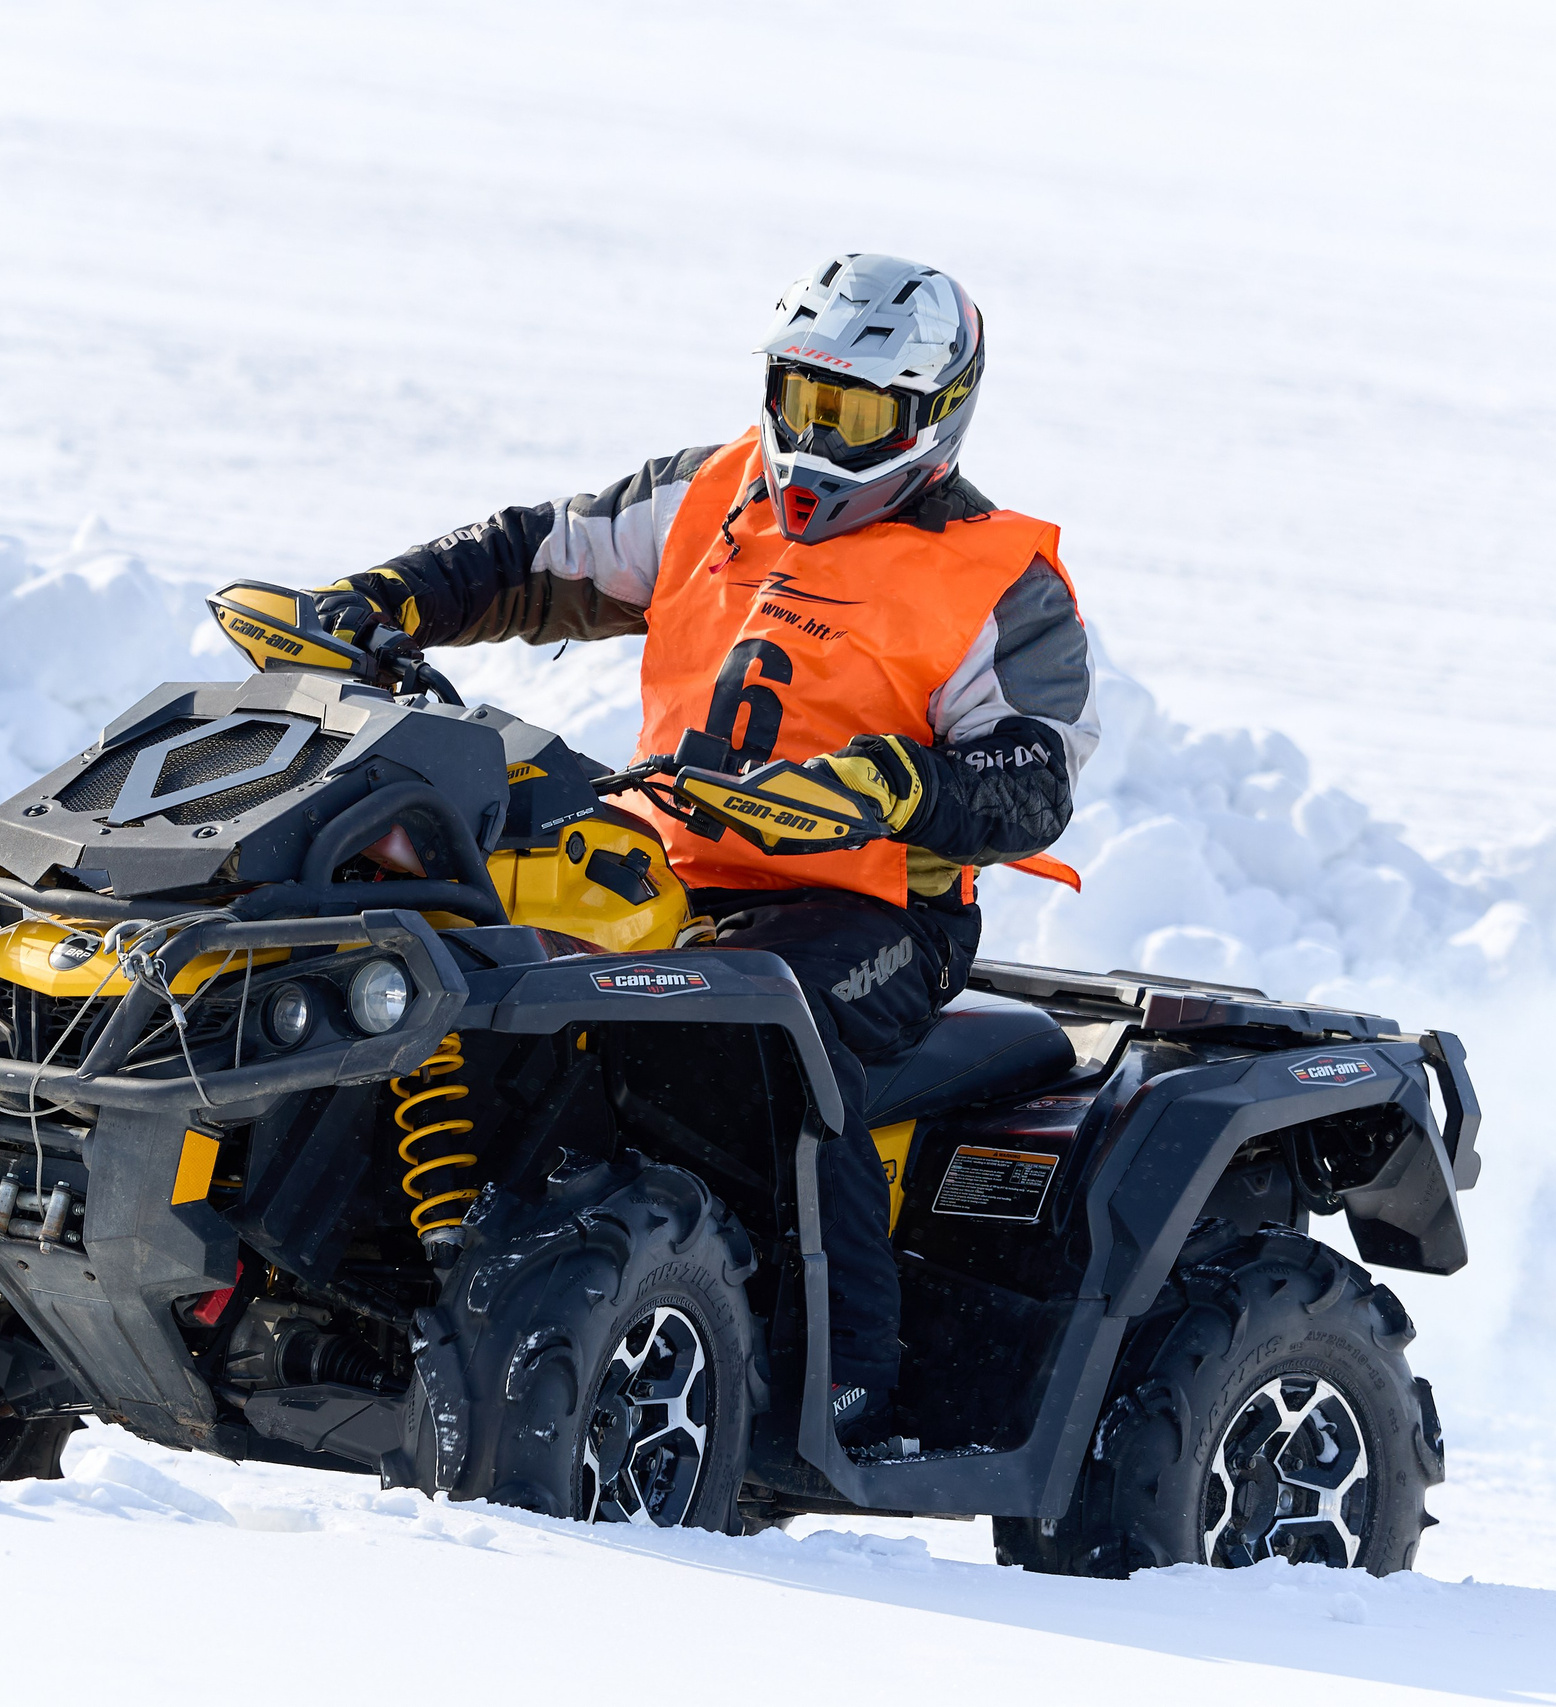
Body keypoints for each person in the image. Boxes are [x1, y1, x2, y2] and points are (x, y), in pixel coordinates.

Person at [311, 253, 1099, 1445]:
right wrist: (387, 599)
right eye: (798, 396)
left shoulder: (1001, 579)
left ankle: (846, 1383)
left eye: (855, 414)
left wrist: (889, 784)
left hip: (866, 912)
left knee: (776, 1033)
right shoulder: (709, 490)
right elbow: (535, 554)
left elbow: (1035, 776)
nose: (815, 437)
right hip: (653, 861)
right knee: (441, 944)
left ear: (933, 417)